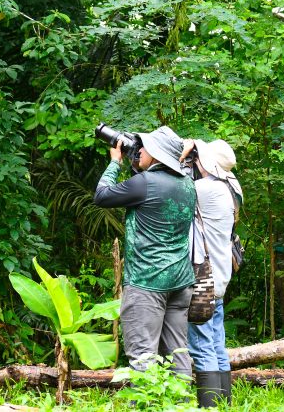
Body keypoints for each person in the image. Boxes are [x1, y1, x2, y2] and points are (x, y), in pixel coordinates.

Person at [94, 126, 196, 379]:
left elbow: (102, 196)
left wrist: (115, 163)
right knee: (177, 353)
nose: (139, 151)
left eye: (145, 148)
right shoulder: (187, 183)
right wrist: (138, 164)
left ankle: (144, 405)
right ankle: (181, 406)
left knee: (143, 357)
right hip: (180, 281)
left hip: (147, 282)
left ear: (157, 153)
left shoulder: (145, 183)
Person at [181, 138, 243, 407]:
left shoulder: (206, 188)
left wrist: (182, 159)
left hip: (201, 281)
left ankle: (209, 407)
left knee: (202, 345)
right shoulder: (231, 188)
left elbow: (177, 190)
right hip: (219, 278)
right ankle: (224, 405)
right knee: (217, 344)